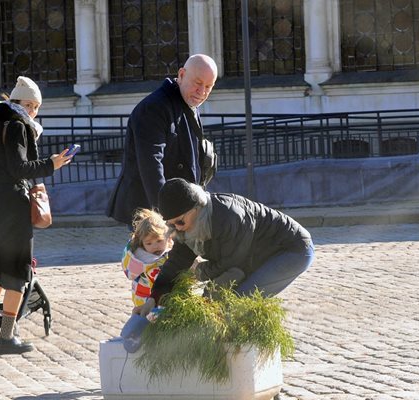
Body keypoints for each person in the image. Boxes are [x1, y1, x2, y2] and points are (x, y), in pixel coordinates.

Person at [0, 76, 74, 355]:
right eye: (29, 105)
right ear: (15, 103)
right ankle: (7, 337)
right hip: (11, 207)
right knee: (18, 273)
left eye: (37, 106)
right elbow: (19, 168)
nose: (33, 110)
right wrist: (52, 163)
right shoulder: (18, 126)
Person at [134, 178, 315, 317]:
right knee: (220, 300)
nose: (178, 228)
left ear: (196, 208)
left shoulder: (228, 217)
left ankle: (240, 350)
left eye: (180, 222)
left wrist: (199, 271)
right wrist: (154, 298)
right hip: (253, 257)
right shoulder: (187, 227)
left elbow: (233, 265)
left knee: (239, 299)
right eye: (172, 225)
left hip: (291, 249)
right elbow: (176, 262)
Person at [106, 54, 218, 226]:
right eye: (198, 83)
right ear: (181, 75)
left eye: (208, 87)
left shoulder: (187, 101)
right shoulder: (154, 107)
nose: (202, 92)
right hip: (152, 211)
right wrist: (166, 215)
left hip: (180, 206)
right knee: (152, 253)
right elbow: (151, 165)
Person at [122, 208, 173, 307]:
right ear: (142, 244)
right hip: (151, 304)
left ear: (168, 238)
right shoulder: (145, 262)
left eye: (159, 241)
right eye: (149, 243)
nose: (155, 246)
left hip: (141, 302)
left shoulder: (171, 254)